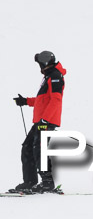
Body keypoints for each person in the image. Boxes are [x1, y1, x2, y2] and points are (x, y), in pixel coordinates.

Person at [11, 52, 67, 194]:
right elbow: (42, 100)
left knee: (39, 149)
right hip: (40, 121)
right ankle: (30, 181)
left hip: (46, 121)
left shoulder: (55, 76)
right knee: (28, 147)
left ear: (45, 63)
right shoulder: (48, 77)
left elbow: (56, 100)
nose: (39, 67)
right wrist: (26, 101)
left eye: (40, 64)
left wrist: (46, 120)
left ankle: (47, 183)